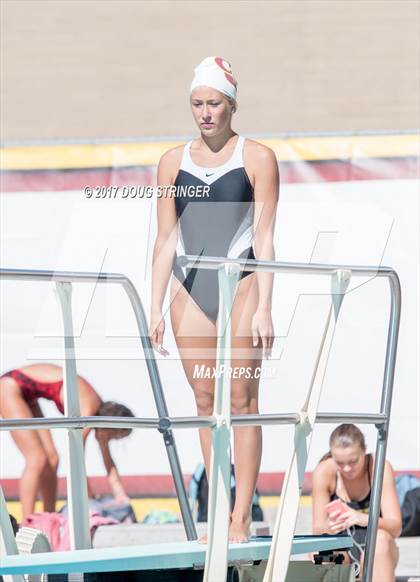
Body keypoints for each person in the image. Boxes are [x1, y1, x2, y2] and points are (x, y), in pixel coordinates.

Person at [149, 56, 279, 542]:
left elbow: (264, 236)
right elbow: (165, 239)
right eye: (198, 103)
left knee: (242, 400)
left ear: (232, 104)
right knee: (205, 399)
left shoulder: (257, 157)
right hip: (189, 286)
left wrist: (265, 303)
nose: (205, 112)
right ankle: (217, 508)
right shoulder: (170, 162)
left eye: (214, 103)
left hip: (242, 279)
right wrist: (155, 303)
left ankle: (243, 514)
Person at [0, 362, 135, 520]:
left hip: (28, 394)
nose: (108, 441)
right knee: (37, 459)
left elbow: (108, 461)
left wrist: (120, 495)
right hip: (10, 386)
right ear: (110, 427)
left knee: (52, 459)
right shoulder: (89, 410)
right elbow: (76, 460)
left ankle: (48, 518)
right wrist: (89, 497)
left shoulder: (99, 417)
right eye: (113, 437)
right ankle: (26, 524)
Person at [312, 424, 401, 581]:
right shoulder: (324, 472)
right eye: (340, 463)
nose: (347, 469)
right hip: (342, 548)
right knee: (323, 551)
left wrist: (363, 518)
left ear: (364, 451)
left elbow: (396, 528)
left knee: (379, 541)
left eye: (353, 461)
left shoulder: (378, 467)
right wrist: (331, 525)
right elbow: (317, 529)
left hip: (378, 551)